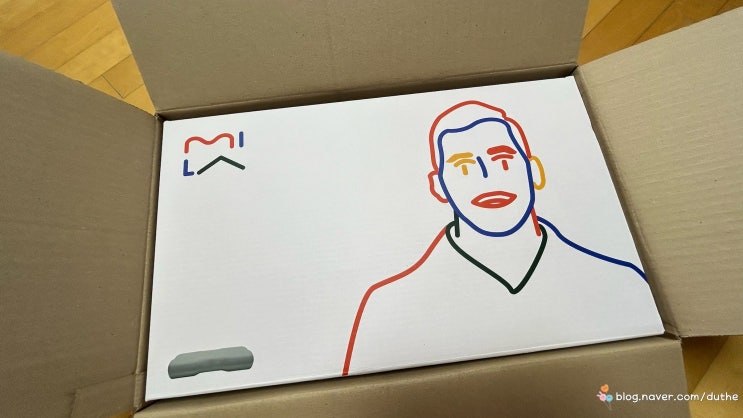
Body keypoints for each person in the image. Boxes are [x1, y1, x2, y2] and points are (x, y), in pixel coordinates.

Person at [342, 101, 662, 376]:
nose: (487, 177)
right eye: (465, 168)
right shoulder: (388, 307)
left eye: (503, 161)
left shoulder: (622, 281)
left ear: (534, 171)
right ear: (439, 187)